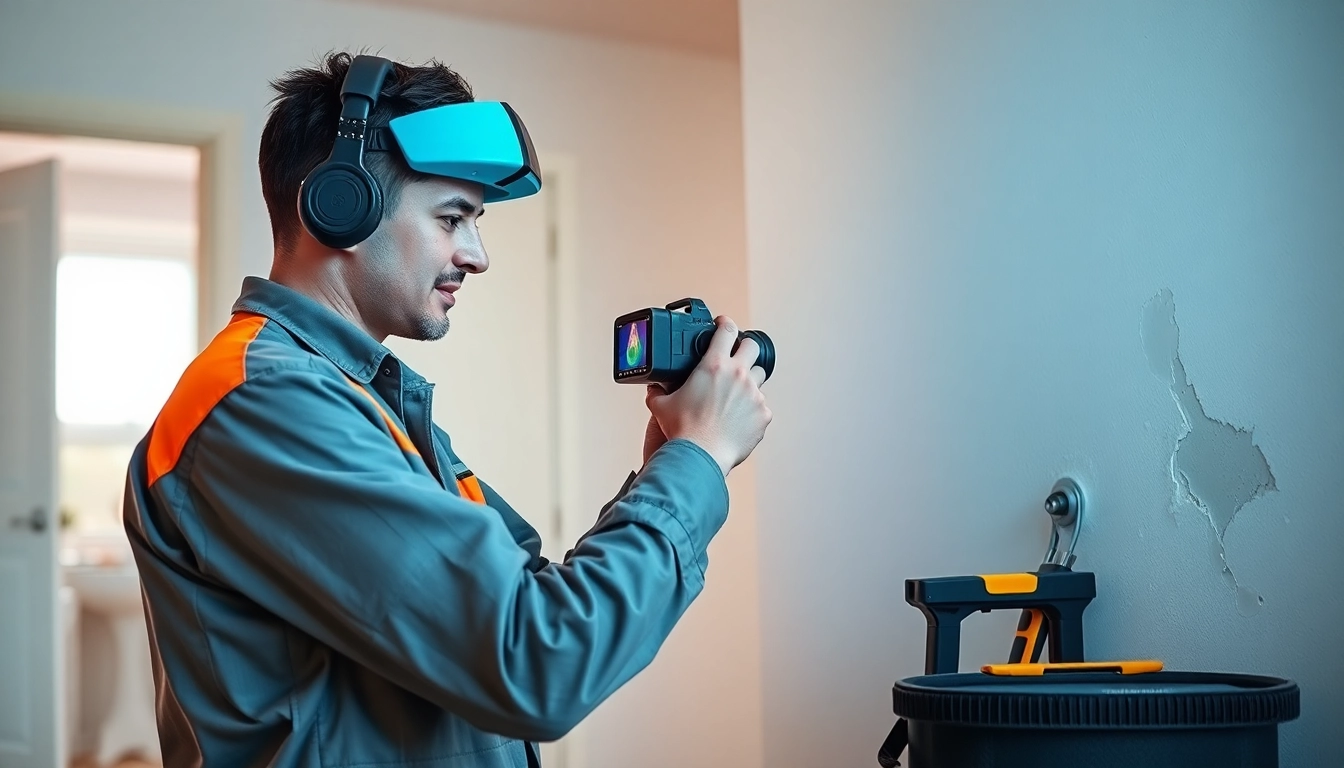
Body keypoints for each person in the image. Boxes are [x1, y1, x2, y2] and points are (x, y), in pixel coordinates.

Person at [122, 51, 771, 768]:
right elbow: (537, 663)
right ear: (341, 203)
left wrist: (663, 471)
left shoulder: (359, 399)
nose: (478, 254)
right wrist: (700, 460)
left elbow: (530, 604)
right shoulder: (264, 403)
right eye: (453, 217)